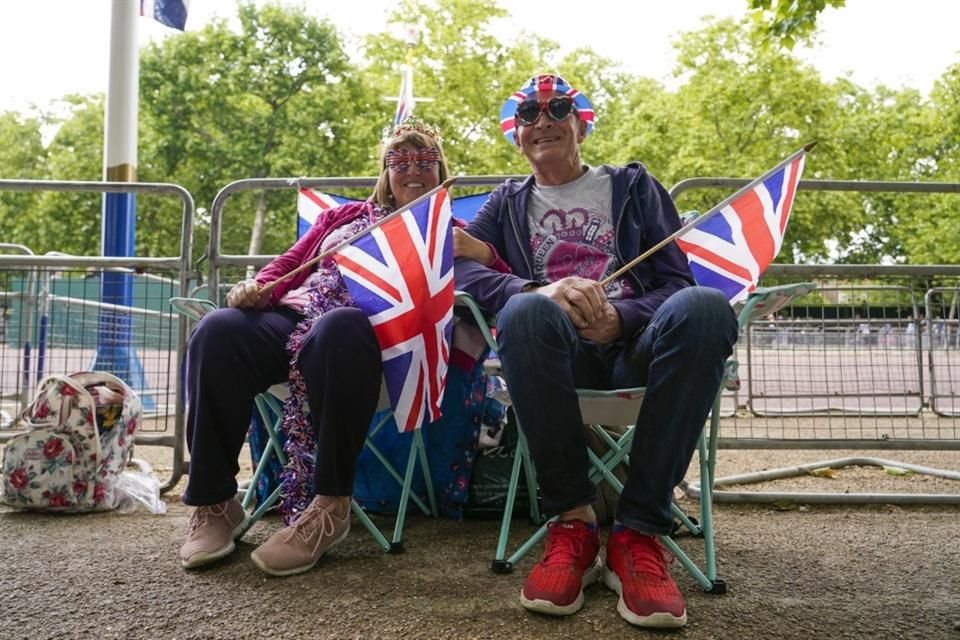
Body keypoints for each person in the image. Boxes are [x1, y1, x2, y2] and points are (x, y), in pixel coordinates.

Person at [455, 74, 739, 629]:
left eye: (557, 108)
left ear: (580, 122)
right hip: (557, 354)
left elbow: (675, 282)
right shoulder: (505, 202)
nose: (543, 121)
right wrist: (537, 290)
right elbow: (461, 262)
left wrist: (620, 318)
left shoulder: (632, 185)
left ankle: (639, 532)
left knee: (706, 305)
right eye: (528, 115)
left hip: (636, 347)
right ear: (517, 138)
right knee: (524, 311)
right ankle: (573, 524)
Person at [179, 115, 485, 575]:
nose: (413, 169)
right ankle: (216, 501)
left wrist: (477, 250)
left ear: (442, 171)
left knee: (339, 327)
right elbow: (287, 266)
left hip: (376, 343)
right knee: (219, 330)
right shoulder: (342, 219)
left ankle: (329, 507)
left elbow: (491, 277)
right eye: (399, 160)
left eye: (426, 160)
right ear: (384, 172)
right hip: (296, 318)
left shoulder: (452, 230)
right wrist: (258, 287)